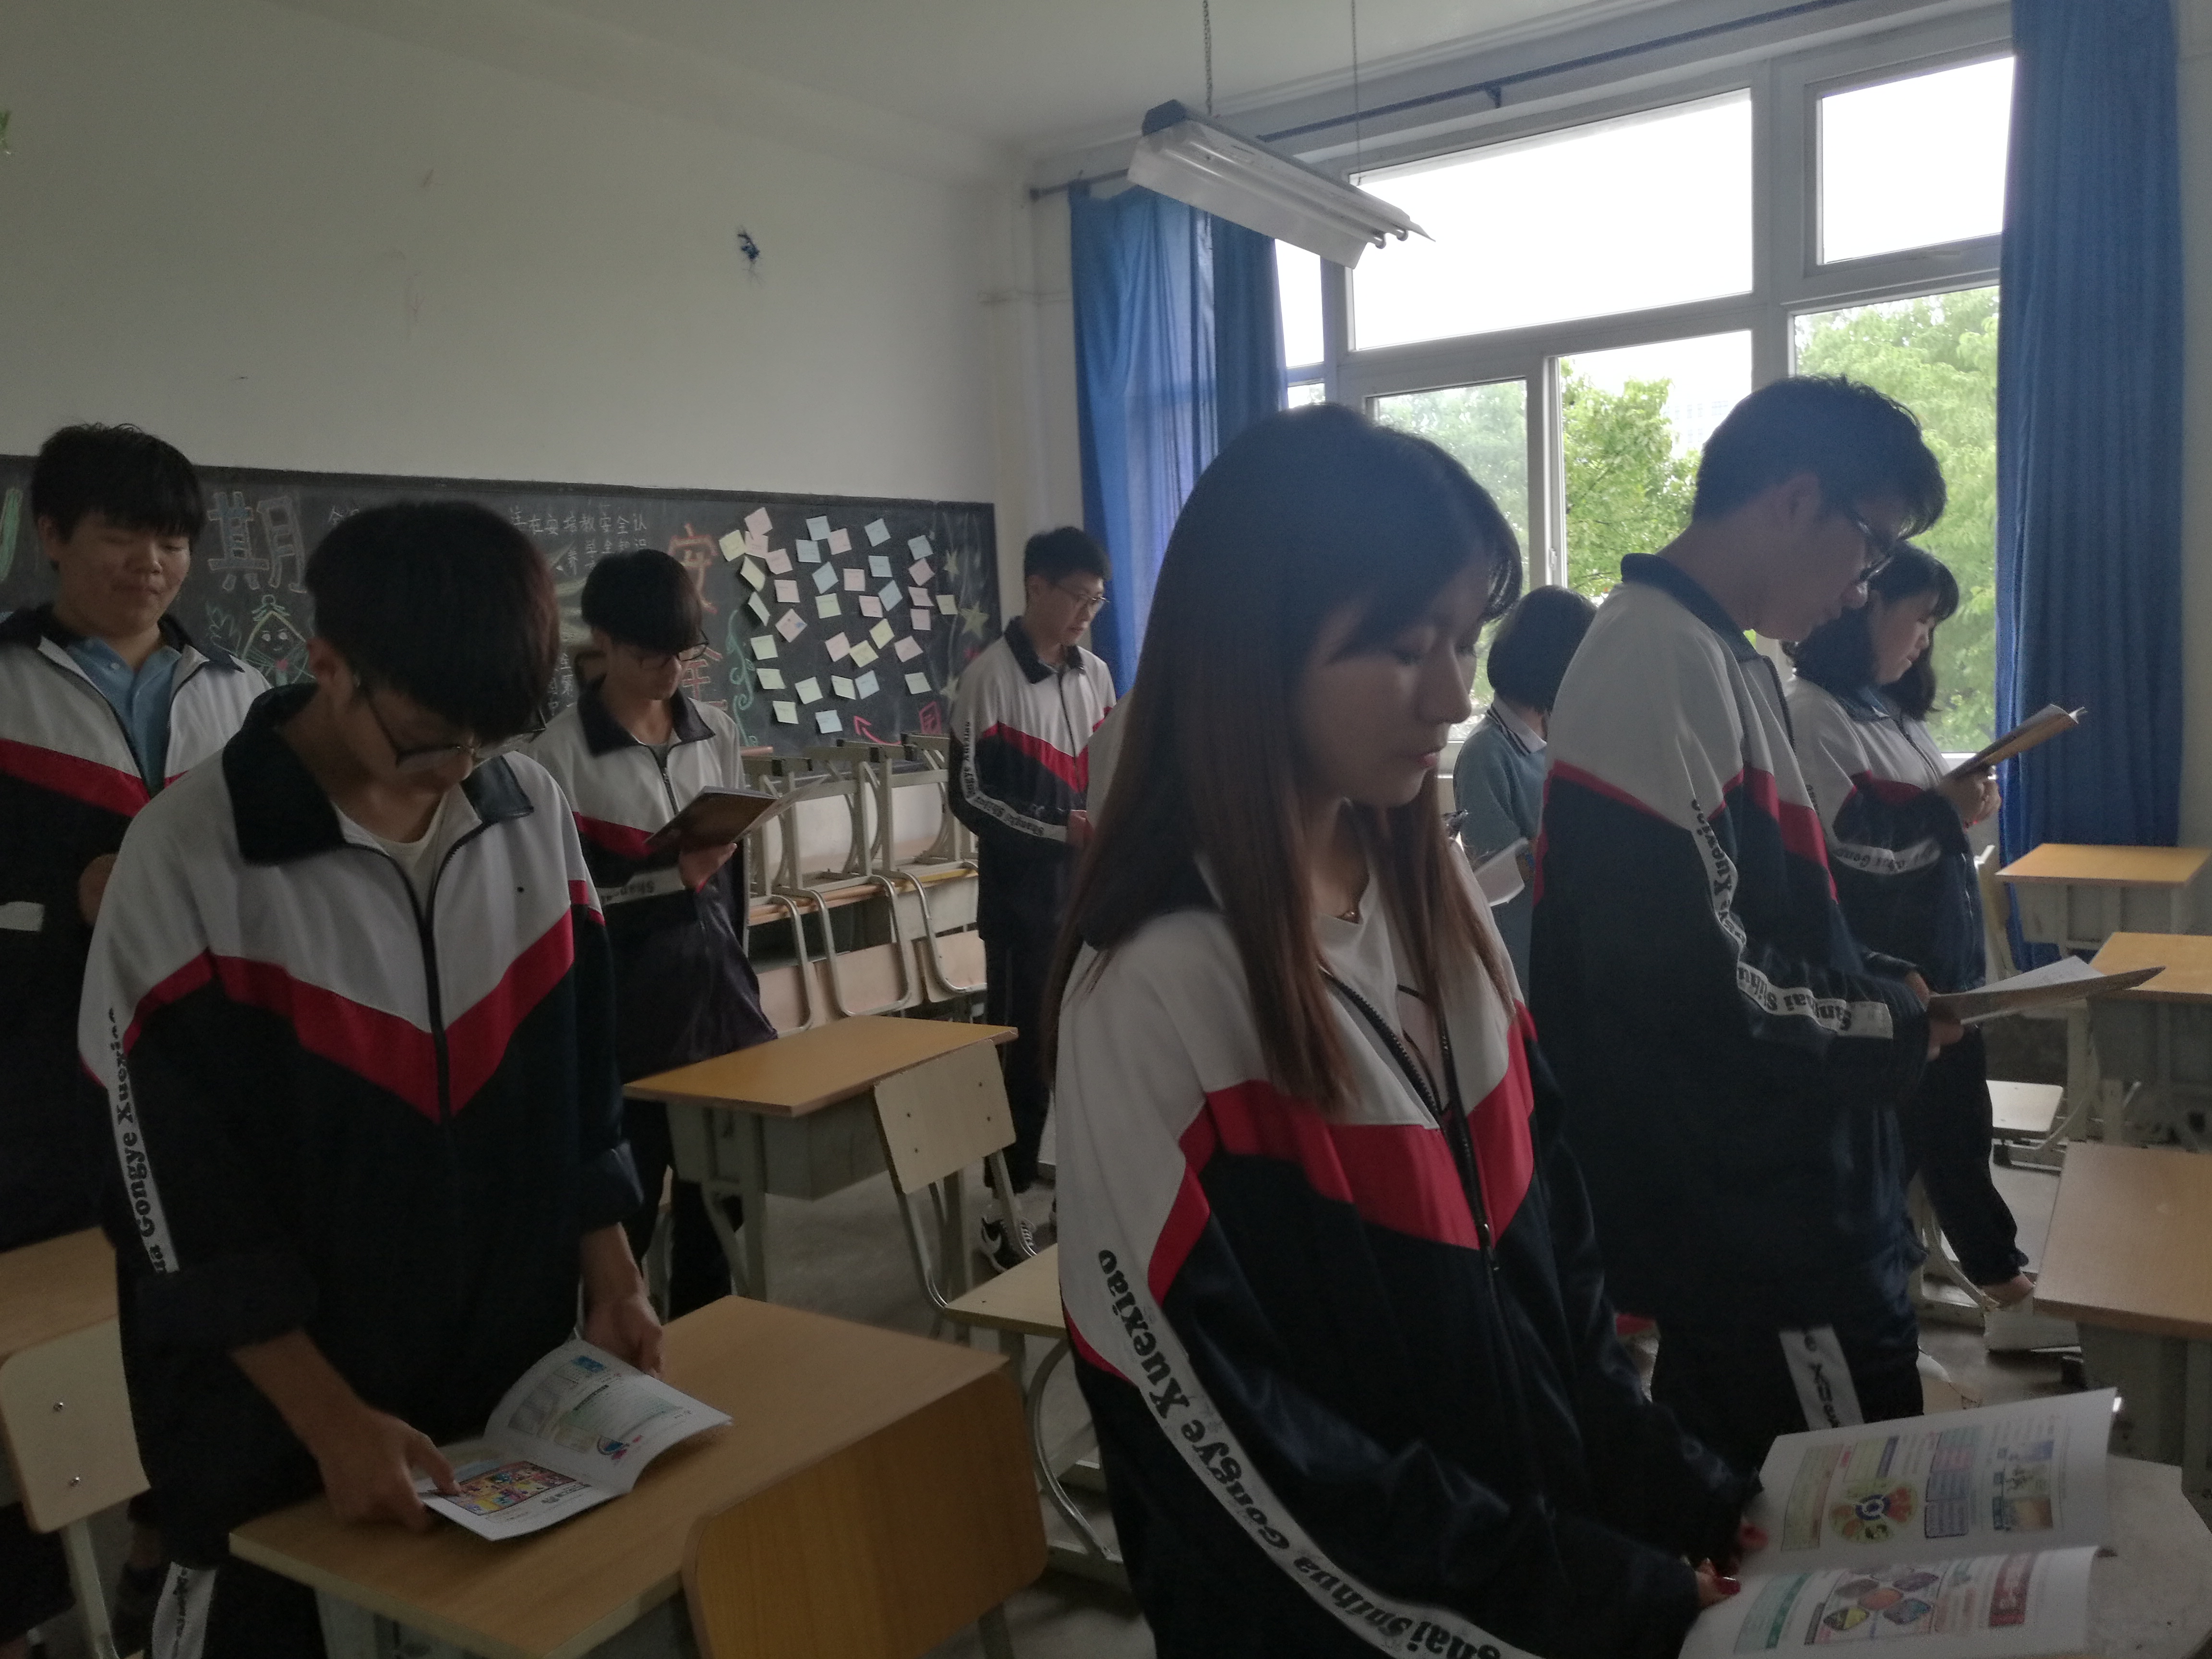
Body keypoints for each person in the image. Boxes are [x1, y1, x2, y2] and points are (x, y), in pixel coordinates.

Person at [1050, 405, 1755, 1659]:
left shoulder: (1436, 907)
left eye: (1464, 641)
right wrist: (1586, 1596)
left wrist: (1678, 1492)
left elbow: (1554, 1262)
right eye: (1401, 645)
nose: (1452, 693)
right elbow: (1248, 1459)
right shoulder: (1154, 992)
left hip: (1527, 1574)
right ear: (1257, 648)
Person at [80, 501, 656, 1658]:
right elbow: (178, 1203)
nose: (457, 773)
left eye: (486, 742)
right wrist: (331, 1420)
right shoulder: (192, 852)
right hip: (280, 1432)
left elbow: (579, 1076)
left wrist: (615, 1274)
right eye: (429, 740)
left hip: (500, 1393)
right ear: (329, 667)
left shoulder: (525, 807)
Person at [1533, 375, 1965, 1476]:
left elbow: (1767, 917)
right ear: (1794, 499)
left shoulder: (1722, 653)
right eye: (1871, 549)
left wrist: (1884, 980)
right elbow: (1687, 980)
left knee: (1793, 1505)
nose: (1861, 587)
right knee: (1841, 1514)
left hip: (1797, 1195)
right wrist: (1885, 1023)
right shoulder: (1651, 654)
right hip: (1762, 1223)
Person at [0, 423, 265, 1659]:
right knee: (34, 1343)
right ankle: (23, 1610)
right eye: (121, 534)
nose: (151, 563)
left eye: (171, 540)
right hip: (34, 1073)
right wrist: (62, 903)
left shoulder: (238, 694)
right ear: (51, 535)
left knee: (181, 1312)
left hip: (193, 1061)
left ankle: (165, 1546)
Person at [527, 549, 775, 1315]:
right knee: (625, 1226)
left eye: (681, 655)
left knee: (721, 1218)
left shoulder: (715, 733)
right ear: (602, 639)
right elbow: (562, 911)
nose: (670, 672)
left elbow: (732, 886)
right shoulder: (557, 759)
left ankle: (711, 1352)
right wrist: (674, 877)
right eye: (650, 656)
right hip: (626, 1032)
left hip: (721, 1015)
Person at [1786, 546, 2032, 1305]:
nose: (1925, 638)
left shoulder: (1890, 709)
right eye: (1918, 618)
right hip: (1889, 970)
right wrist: (1943, 811)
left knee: (1957, 1131)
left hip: (1945, 962)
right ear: (1864, 609)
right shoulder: (1812, 711)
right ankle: (1965, 1284)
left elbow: (1926, 822)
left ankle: (1981, 1274)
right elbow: (1852, 842)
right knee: (1901, 1148)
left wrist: (1965, 803)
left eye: (1933, 625)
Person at [949, 526, 1115, 1264]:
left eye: (1097, 601)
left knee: (1085, 1049)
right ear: (1036, 587)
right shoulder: (988, 678)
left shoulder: (1096, 675)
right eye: (1077, 597)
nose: (1086, 613)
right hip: (1022, 909)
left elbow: (1109, 771)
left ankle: (1073, 1193)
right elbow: (968, 796)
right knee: (1023, 1058)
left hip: (1091, 898)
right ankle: (1003, 1207)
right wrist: (1059, 829)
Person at [1451, 586, 1596, 988]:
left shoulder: (1553, 740)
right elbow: (1488, 882)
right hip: (1527, 963)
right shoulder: (1487, 754)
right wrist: (1563, 834)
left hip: (1564, 951)